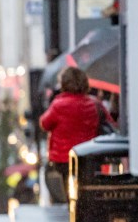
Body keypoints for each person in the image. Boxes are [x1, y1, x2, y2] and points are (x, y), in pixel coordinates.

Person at [39, 66, 115, 204]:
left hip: (63, 158)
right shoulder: (95, 104)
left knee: (69, 190)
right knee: (89, 188)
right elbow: (110, 122)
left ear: (63, 84)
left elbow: (44, 124)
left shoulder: (58, 105)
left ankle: (73, 211)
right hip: (90, 155)